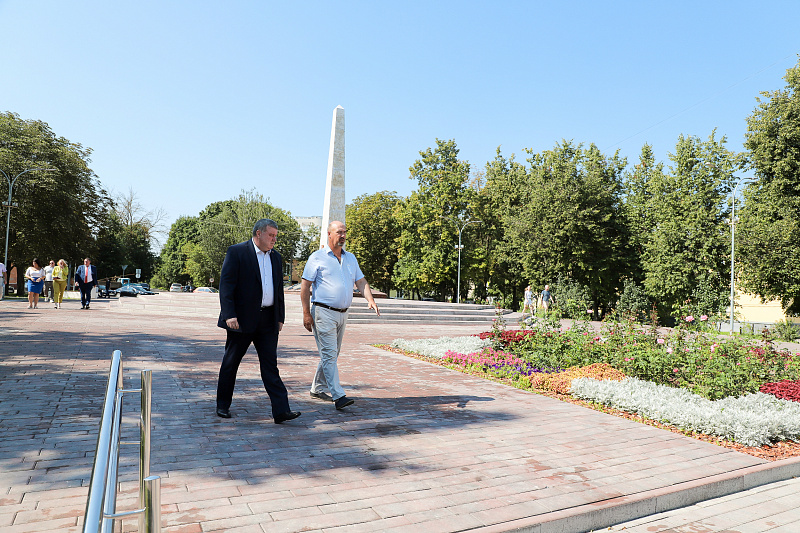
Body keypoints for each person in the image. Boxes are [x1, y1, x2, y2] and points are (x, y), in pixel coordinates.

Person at [215, 219, 300, 424]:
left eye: (275, 236)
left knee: (270, 366)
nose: (274, 239)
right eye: (271, 235)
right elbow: (226, 285)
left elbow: (278, 290)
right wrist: (229, 315)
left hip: (268, 320)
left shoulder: (276, 257)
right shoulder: (237, 252)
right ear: (258, 233)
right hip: (241, 321)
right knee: (231, 363)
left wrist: (280, 317)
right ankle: (223, 405)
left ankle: (281, 410)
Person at [300, 220, 380, 410]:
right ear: (329, 234)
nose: (343, 236)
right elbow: (305, 286)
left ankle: (317, 388)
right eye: (339, 232)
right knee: (329, 354)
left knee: (332, 354)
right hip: (323, 312)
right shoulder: (317, 257)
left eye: (344, 232)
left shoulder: (350, 258)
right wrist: (306, 314)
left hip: (343, 314)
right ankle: (338, 395)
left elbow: (361, 281)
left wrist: (370, 299)